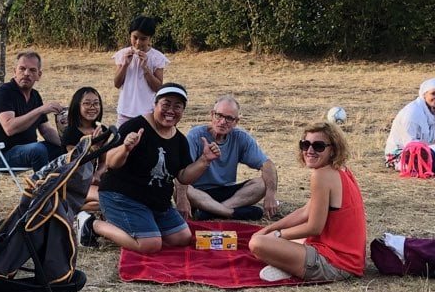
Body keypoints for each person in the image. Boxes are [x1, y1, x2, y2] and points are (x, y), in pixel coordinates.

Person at [77, 84, 221, 253]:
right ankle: (91, 224)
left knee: (181, 238)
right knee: (150, 244)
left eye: (177, 106)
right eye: (166, 104)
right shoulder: (135, 126)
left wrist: (204, 161)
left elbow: (183, 176)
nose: (171, 110)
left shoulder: (180, 140)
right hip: (122, 196)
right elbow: (110, 162)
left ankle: (140, 223)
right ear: (155, 104)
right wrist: (125, 148)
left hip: (157, 203)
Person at [249, 122, 366, 282]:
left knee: (257, 244)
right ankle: (290, 262)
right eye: (305, 144)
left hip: (336, 264)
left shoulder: (321, 176)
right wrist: (270, 228)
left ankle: (290, 267)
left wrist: (277, 235)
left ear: (333, 150)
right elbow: (305, 211)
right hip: (349, 259)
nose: (310, 151)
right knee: (269, 238)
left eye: (318, 146)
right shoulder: (339, 170)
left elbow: (314, 227)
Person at [184, 95, 279, 220]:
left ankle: (213, 212)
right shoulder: (195, 135)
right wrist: (204, 160)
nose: (223, 122)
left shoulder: (241, 137)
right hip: (199, 193)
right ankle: (231, 213)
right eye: (219, 115)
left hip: (227, 191)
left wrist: (271, 194)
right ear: (212, 115)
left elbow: (267, 164)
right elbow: (181, 172)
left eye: (229, 118)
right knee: (185, 189)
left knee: (262, 183)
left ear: (236, 122)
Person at [0, 51, 65, 170]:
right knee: (38, 150)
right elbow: (9, 128)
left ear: (39, 75)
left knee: (63, 150)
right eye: (22, 69)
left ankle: (63, 187)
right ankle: (43, 187)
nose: (26, 73)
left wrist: (68, 144)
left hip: (27, 150)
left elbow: (46, 130)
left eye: (32, 70)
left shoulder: (35, 96)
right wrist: (40, 110)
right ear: (14, 71)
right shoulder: (4, 92)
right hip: (0, 155)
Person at [59, 86, 109, 213]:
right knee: (105, 200)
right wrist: (92, 145)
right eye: (87, 103)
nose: (92, 107)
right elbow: (75, 164)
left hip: (91, 181)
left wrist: (98, 174)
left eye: (96, 103)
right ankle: (62, 207)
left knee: (115, 197)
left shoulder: (102, 130)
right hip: (73, 184)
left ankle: (73, 207)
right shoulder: (70, 132)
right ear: (77, 106)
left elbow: (104, 162)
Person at [112, 16, 168, 126]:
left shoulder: (157, 57)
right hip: (125, 111)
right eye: (135, 37)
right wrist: (125, 65)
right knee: (122, 142)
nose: (138, 42)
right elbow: (117, 84)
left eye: (143, 39)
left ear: (150, 38)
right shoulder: (123, 54)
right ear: (130, 36)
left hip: (148, 113)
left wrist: (146, 69)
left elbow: (158, 88)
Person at [384, 78, 435, 165]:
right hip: (401, 155)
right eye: (433, 93)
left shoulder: (433, 111)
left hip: (425, 149)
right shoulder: (413, 112)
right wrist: (433, 145)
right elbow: (409, 144)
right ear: (424, 94)